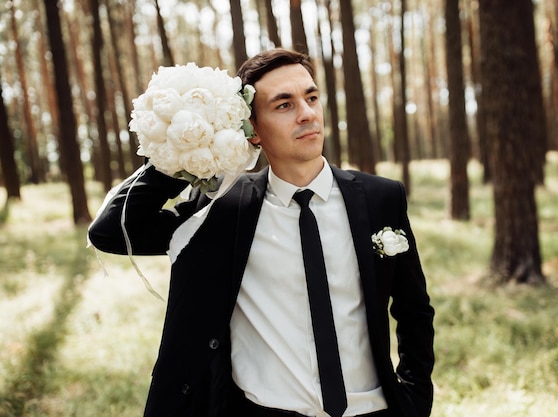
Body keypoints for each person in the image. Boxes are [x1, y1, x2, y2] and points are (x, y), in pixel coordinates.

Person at [88, 48, 434, 417]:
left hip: (373, 411)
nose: (307, 114)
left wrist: (414, 397)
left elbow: (414, 310)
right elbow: (113, 230)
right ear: (252, 129)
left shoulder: (382, 198)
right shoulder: (220, 212)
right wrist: (182, 143)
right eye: (284, 105)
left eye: (311, 97)